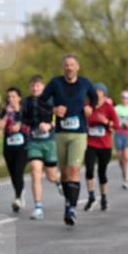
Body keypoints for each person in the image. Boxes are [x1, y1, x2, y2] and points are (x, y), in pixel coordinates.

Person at [42, 54, 97, 225]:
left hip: (79, 133)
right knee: (65, 173)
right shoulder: (55, 83)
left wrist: (90, 107)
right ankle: (67, 204)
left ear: (77, 67)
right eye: (66, 65)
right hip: (60, 133)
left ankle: (71, 208)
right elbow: (42, 101)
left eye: (72, 65)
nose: (69, 68)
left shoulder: (85, 83)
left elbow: (94, 98)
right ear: (63, 67)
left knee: (74, 170)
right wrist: (53, 108)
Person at [22, 75, 59, 221]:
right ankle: (38, 208)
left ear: (43, 87)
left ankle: (58, 181)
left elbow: (58, 116)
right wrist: (24, 125)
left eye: (37, 86)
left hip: (49, 141)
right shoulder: (26, 102)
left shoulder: (51, 100)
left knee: (51, 176)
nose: (35, 88)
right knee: (35, 171)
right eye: (32, 86)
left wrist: (49, 125)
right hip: (34, 142)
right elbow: (23, 119)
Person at [85, 82, 117, 211]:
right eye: (94, 90)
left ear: (104, 93)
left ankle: (104, 198)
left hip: (105, 145)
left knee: (102, 173)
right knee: (89, 169)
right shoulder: (87, 107)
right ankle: (92, 197)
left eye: (99, 90)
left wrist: (106, 121)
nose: (97, 92)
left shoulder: (108, 107)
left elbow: (116, 125)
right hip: (90, 143)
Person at [1, 87, 28, 212]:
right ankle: (20, 192)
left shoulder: (25, 111)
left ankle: (17, 197)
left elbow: (30, 125)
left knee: (18, 171)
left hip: (23, 147)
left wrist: (20, 125)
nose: (11, 99)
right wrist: (7, 115)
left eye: (13, 96)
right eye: (9, 97)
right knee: (13, 174)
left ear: (19, 98)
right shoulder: (5, 111)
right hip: (8, 147)